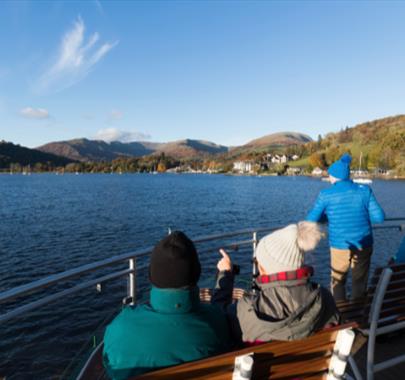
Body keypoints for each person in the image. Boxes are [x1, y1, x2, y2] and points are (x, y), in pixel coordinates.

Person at [103, 231, 230, 380]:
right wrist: (226, 275)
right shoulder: (216, 323)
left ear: (151, 275)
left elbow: (109, 365)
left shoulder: (120, 326)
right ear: (197, 273)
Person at [212, 222, 339, 345]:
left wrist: (225, 274)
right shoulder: (324, 298)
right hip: (317, 362)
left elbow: (217, 320)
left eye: (258, 262)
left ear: (264, 269)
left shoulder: (248, 310)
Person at [306, 153, 385, 301]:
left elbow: (311, 219)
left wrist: (328, 215)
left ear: (335, 177)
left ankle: (341, 313)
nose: (329, 178)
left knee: (338, 281)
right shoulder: (364, 190)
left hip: (339, 245)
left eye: (330, 176)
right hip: (364, 243)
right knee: (359, 281)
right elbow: (379, 217)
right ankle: (357, 312)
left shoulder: (326, 194)